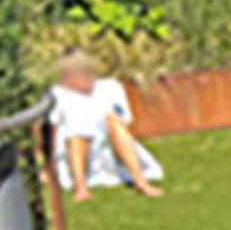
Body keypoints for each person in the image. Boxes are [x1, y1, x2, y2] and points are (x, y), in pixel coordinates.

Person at [46, 49, 166, 201]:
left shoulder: (110, 88)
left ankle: (140, 181)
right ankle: (81, 187)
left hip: (108, 142)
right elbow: (53, 129)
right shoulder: (58, 94)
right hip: (75, 144)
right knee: (78, 130)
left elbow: (125, 119)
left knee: (114, 121)